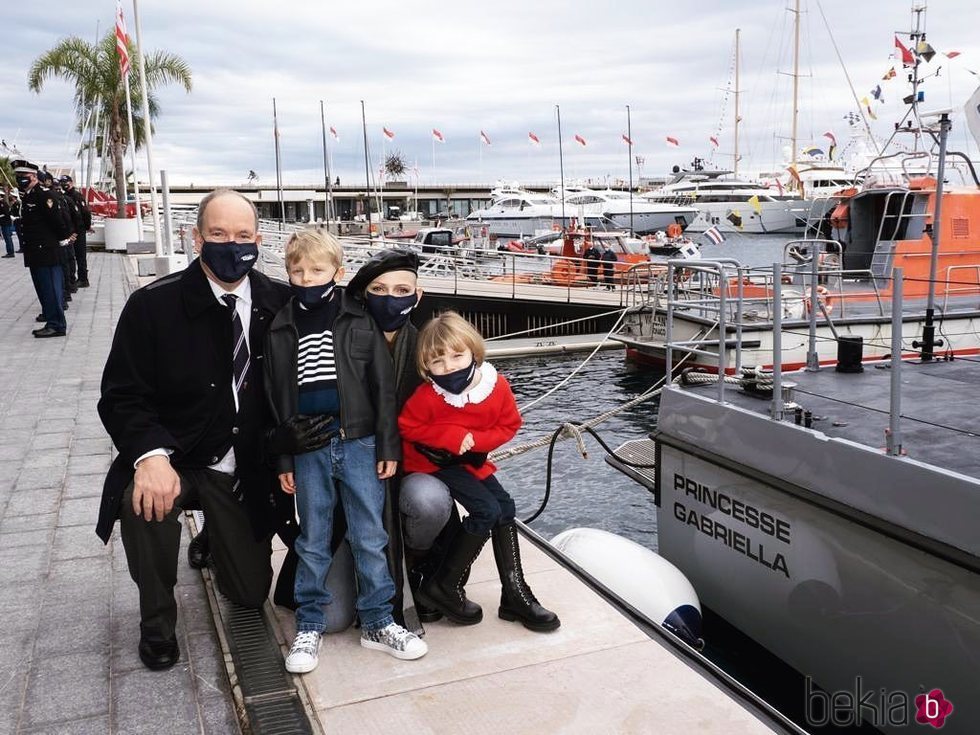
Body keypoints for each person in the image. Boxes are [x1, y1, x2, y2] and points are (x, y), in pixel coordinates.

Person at [97, 189, 297, 671]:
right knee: (144, 503)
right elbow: (121, 395)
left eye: (244, 235)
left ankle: (212, 536)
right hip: (179, 455)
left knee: (249, 594)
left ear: (259, 238)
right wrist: (150, 457)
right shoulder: (153, 306)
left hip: (243, 463)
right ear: (196, 238)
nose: (233, 245)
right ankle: (157, 621)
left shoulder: (280, 303)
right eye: (219, 234)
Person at [264, 230, 426, 673]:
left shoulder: (359, 321)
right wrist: (283, 458)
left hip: (359, 442)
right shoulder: (280, 327)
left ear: (337, 273)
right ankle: (310, 625)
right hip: (309, 448)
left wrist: (386, 443)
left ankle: (378, 620)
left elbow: (381, 390)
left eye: (316, 270)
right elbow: (276, 397)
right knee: (313, 538)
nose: (306, 277)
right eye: (297, 271)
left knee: (370, 535)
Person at [398, 312, 560, 632]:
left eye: (457, 356)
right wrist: (450, 437)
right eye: (438, 361)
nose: (449, 367)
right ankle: (444, 583)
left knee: (505, 508)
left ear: (474, 351)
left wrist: (477, 443)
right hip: (433, 463)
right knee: (485, 509)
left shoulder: (494, 385)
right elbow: (406, 426)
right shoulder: (428, 395)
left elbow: (510, 424)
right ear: (426, 367)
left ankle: (514, 593)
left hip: (470, 461)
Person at [347, 251, 457, 626]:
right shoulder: (344, 343)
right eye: (379, 289)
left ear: (417, 295)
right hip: (353, 471)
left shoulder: (431, 350)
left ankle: (418, 560)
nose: (390, 298)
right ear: (364, 294)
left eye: (401, 289)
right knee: (334, 618)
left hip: (412, 467)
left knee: (427, 502)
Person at [12, 160, 72, 337]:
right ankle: (50, 317)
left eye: (23, 177)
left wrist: (63, 240)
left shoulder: (44, 195)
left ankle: (57, 324)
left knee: (51, 288)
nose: (20, 180)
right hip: (34, 251)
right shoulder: (28, 196)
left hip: (47, 250)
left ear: (33, 177)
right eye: (18, 177)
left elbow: (57, 221)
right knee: (42, 287)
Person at [60, 175, 92, 287]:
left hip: (79, 230)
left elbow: (86, 213)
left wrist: (86, 227)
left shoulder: (77, 196)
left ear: (71, 183)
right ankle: (72, 279)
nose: (64, 185)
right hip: (69, 230)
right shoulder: (63, 197)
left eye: (66, 182)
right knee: (70, 256)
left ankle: (83, 279)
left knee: (80, 255)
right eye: (62, 182)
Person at [1, 188, 16, 258]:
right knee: (7, 238)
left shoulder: (3, 203)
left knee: (7, 238)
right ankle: (10, 251)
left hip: (5, 223)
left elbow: (7, 213)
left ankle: (10, 252)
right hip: (4, 222)